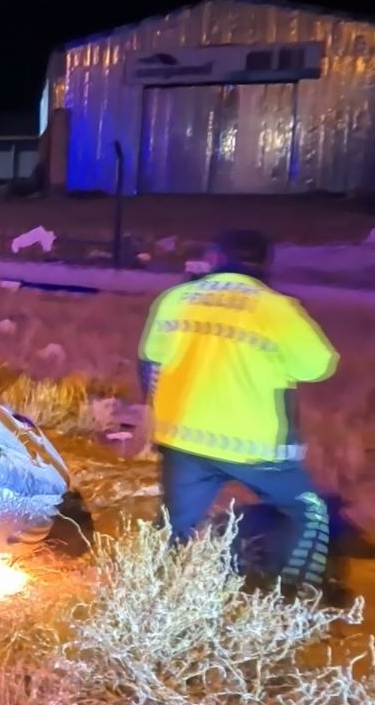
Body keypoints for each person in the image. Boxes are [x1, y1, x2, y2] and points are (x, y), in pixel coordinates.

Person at [139, 228, 339, 591]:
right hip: (254, 446)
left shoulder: (177, 298)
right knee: (308, 512)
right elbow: (318, 367)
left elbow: (152, 359)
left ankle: (152, 592)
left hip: (181, 436)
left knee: (175, 525)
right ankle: (290, 597)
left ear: (215, 257)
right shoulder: (275, 308)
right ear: (264, 263)